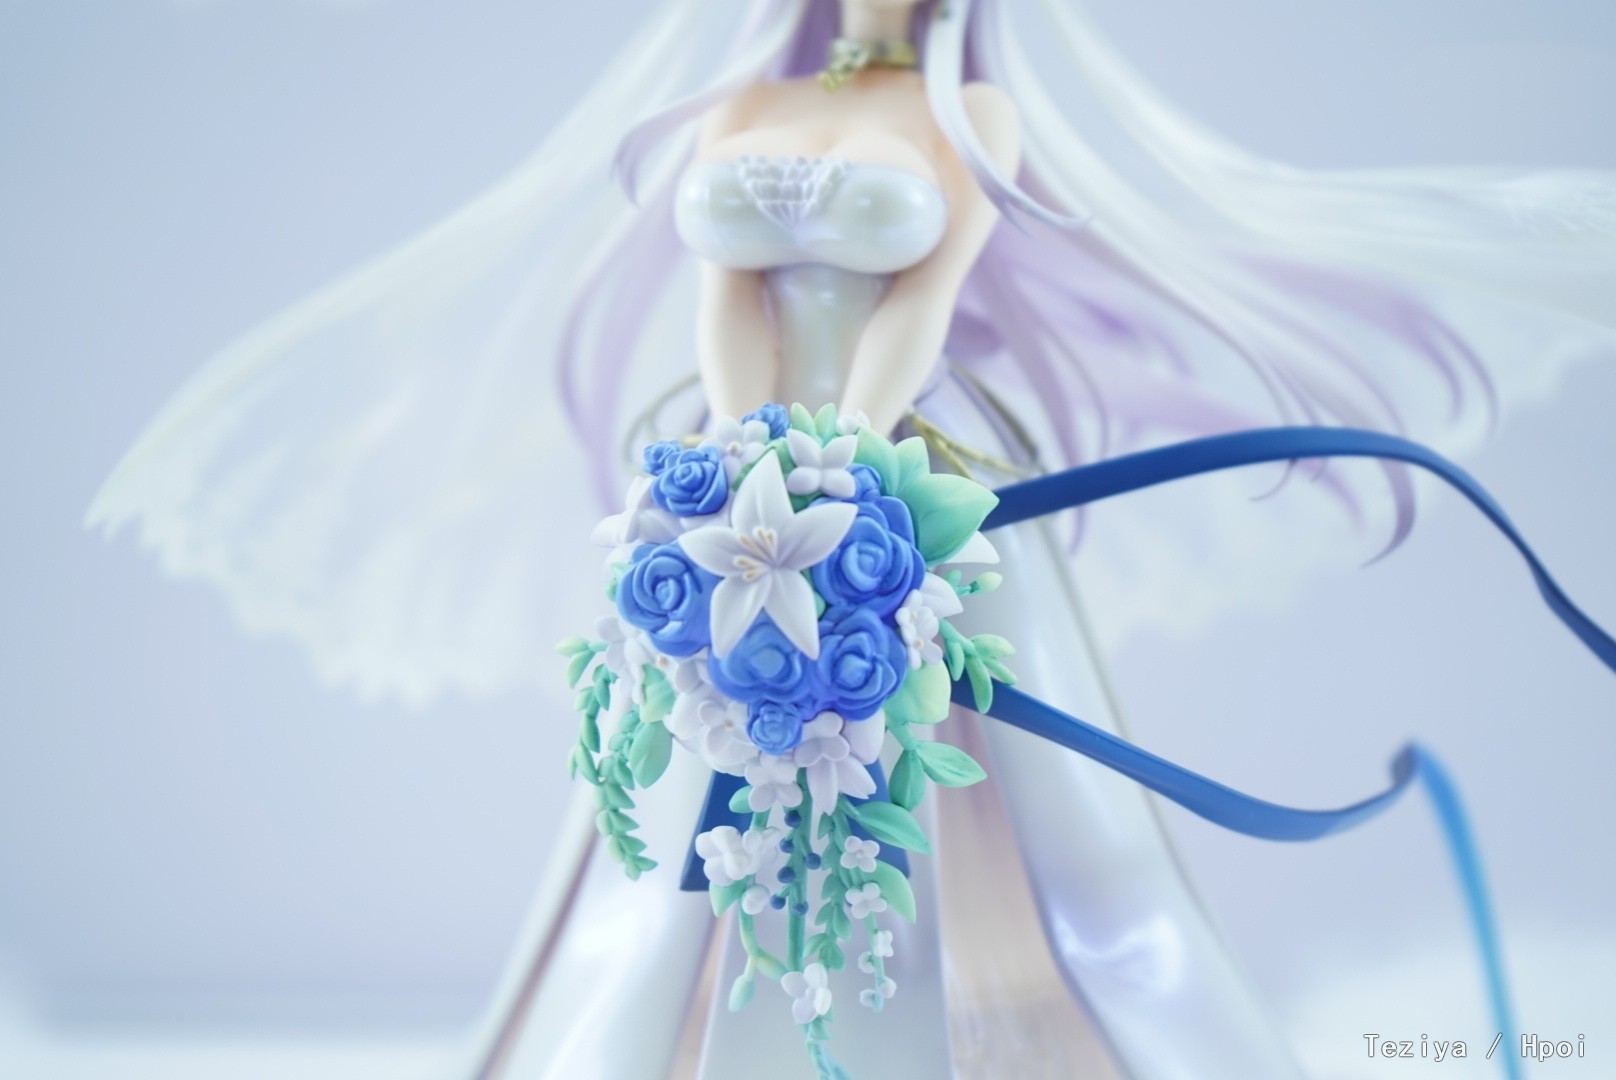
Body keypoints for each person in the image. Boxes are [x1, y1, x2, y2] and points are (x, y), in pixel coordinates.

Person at [86, 1, 1615, 1077]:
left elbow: (923, 301)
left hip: (914, 460)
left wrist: (844, 459)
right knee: (690, 770)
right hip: (735, 459)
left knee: (1010, 795)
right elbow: (722, 299)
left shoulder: (974, 113)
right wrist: (746, 451)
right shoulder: (744, 105)